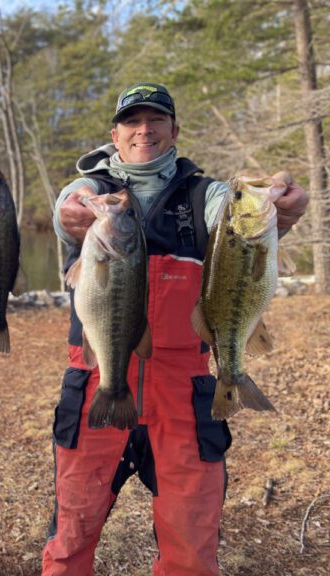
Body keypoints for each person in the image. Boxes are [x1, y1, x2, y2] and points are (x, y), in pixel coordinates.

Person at [41, 82, 309, 576]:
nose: (144, 130)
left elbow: (234, 221)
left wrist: (279, 211)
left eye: (156, 120)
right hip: (98, 378)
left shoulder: (205, 195)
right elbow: (69, 208)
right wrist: (70, 211)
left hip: (184, 394)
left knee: (191, 537)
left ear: (174, 131)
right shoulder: (97, 194)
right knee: (73, 529)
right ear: (115, 135)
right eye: (132, 122)